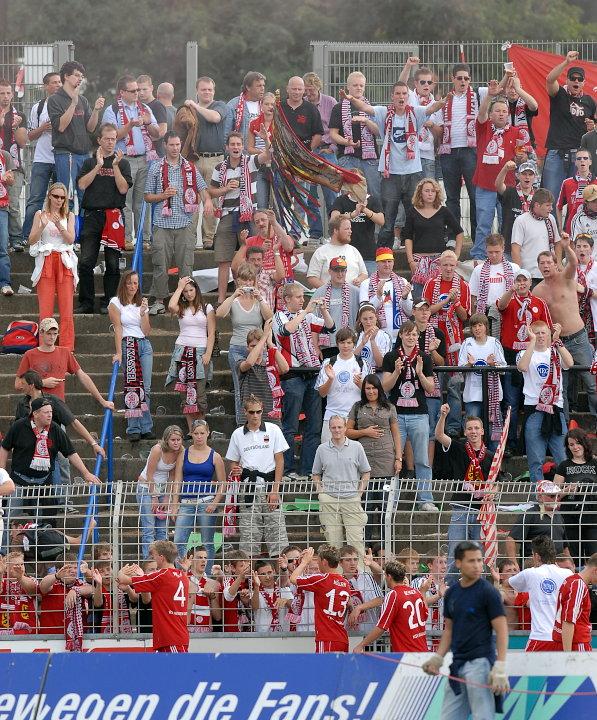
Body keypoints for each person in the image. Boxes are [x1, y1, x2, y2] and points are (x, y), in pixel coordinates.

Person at [343, 81, 445, 247]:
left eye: (404, 93)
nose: (401, 97)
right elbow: (366, 108)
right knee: (388, 217)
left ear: (408, 97)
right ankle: (384, 253)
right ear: (392, 96)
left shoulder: (415, 112)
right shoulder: (384, 113)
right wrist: (352, 99)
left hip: (412, 172)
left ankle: (417, 252)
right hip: (390, 173)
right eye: (398, 93)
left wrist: (444, 101)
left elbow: (432, 108)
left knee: (414, 215)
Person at [422, 541, 509, 719]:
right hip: (457, 664)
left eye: (479, 560)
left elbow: (502, 630)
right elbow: (449, 630)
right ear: (458, 563)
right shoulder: (452, 593)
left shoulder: (488, 592)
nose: (477, 565)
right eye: (471, 561)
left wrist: (500, 666)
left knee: (483, 717)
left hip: (480, 663)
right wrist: (438, 658)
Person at [0, 397, 100, 528]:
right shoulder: (19, 426)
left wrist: (86, 473)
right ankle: (6, 540)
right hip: (19, 480)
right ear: (35, 414)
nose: (50, 415)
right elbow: (5, 447)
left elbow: (70, 452)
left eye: (51, 412)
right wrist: (2, 473)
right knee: (10, 517)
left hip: (43, 480)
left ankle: (42, 539)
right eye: (46, 412)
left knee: (45, 519)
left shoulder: (55, 429)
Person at [144, 131, 213, 315]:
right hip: (162, 223)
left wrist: (207, 201)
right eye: (172, 145)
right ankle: (160, 300)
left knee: (186, 265)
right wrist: (163, 195)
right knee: (160, 264)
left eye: (177, 145)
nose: (175, 148)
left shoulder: (190, 167)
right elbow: (147, 196)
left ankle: (188, 302)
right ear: (165, 145)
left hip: (185, 223)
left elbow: (202, 189)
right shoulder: (156, 167)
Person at [273, 283, 334, 479]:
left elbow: (330, 327)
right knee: (290, 426)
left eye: (303, 297)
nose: (302, 300)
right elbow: (286, 331)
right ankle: (288, 470)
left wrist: (324, 311)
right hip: (292, 375)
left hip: (312, 373)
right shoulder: (279, 316)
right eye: (298, 297)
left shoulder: (307, 316)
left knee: (314, 426)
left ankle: (308, 470)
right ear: (287, 299)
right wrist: (306, 311)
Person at [533, 234, 597, 422]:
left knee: (591, 384)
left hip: (578, 338)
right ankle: (565, 425)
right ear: (538, 267)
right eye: (542, 263)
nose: (545, 266)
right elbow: (538, 320)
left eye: (549, 262)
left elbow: (574, 262)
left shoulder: (566, 278)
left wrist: (567, 246)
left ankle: (595, 420)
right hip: (558, 343)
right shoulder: (538, 291)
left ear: (555, 264)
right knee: (561, 387)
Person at [75, 123, 133, 315]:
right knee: (86, 261)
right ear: (99, 140)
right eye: (107, 139)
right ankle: (86, 302)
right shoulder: (89, 162)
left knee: (113, 263)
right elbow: (82, 185)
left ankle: (109, 301)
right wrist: (98, 165)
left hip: (113, 215)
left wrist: (114, 166)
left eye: (113, 139)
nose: (110, 142)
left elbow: (123, 189)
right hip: (92, 215)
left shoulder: (123, 163)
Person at [471, 79, 532, 261]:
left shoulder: (516, 132)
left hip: (507, 187)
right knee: (484, 223)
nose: (501, 114)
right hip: (485, 185)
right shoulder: (483, 128)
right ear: (491, 114)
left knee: (506, 223)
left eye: (504, 111)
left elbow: (522, 158)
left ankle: (505, 256)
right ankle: (479, 256)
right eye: (497, 111)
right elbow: (481, 113)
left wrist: (521, 158)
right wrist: (489, 96)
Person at [208, 131, 271, 304]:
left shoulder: (250, 161)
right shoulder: (219, 167)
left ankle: (253, 296)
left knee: (252, 257)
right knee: (223, 260)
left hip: (248, 214)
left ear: (242, 146)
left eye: (238, 144)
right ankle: (221, 299)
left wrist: (266, 139)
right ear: (227, 147)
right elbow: (211, 191)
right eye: (232, 144)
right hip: (227, 214)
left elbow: (268, 155)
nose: (235, 147)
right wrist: (226, 189)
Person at [382, 320, 438, 512]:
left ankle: (426, 499)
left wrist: (420, 374)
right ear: (401, 335)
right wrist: (397, 372)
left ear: (418, 337)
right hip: (396, 416)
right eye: (407, 334)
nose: (411, 337)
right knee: (394, 459)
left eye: (414, 334)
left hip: (419, 414)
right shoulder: (391, 357)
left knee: (422, 459)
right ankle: (391, 501)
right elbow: (385, 387)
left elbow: (430, 388)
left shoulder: (424, 358)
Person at [434, 403, 494, 581]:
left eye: (476, 428)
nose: (473, 431)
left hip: (481, 511)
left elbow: (496, 483)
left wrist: (492, 492)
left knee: (478, 556)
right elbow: (439, 435)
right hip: (461, 507)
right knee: (455, 553)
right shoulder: (459, 447)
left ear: (482, 431)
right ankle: (450, 590)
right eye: (469, 429)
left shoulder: (491, 456)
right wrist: (443, 416)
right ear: (465, 432)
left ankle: (478, 591)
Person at [225, 395, 289, 559]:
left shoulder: (273, 429)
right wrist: (235, 469)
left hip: (269, 484)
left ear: (262, 411)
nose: (255, 415)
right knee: (249, 536)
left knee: (277, 534)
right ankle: (249, 574)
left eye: (258, 412)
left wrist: (275, 490)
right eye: (252, 412)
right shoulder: (237, 434)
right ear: (245, 412)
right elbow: (232, 462)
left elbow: (280, 460)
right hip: (248, 487)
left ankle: (281, 573)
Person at [101, 74, 161, 249]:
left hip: (144, 159)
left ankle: (144, 239)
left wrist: (148, 122)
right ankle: (126, 239)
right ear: (122, 92)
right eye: (133, 90)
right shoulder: (112, 110)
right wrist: (130, 125)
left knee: (143, 202)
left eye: (138, 90)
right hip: (123, 160)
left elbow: (157, 133)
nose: (137, 93)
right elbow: (111, 137)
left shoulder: (145, 108)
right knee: (125, 201)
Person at [497, 268, 552, 456]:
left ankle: (539, 441)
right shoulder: (509, 298)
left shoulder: (539, 303)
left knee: (536, 399)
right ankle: (511, 442)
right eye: (518, 280)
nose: (521, 284)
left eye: (524, 280)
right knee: (511, 402)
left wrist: (547, 354)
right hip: (511, 353)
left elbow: (547, 330)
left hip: (534, 355)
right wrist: (510, 291)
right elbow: (501, 306)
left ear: (530, 283)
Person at [217, 262, 272, 425]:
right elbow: (219, 314)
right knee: (240, 388)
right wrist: (233, 296)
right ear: (238, 281)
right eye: (244, 280)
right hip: (238, 348)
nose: (247, 283)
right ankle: (241, 424)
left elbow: (270, 317)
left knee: (261, 386)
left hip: (258, 348)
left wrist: (260, 298)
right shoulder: (234, 301)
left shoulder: (258, 299)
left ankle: (262, 422)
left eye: (250, 280)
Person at [516, 321, 572, 482]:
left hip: (556, 409)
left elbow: (569, 363)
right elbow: (522, 367)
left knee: (562, 458)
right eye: (537, 333)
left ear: (548, 334)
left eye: (543, 333)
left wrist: (557, 340)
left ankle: (564, 494)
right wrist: (532, 342)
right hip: (534, 409)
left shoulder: (555, 351)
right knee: (536, 460)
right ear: (531, 334)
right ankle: (538, 495)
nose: (540, 336)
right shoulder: (524, 352)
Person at [347, 374, 401, 540]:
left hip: (386, 461)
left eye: (374, 388)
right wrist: (365, 432)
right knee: (366, 507)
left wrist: (398, 458)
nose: (371, 391)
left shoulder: (389, 407)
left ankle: (385, 546)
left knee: (386, 506)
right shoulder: (357, 407)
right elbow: (347, 432)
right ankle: (366, 545)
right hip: (364, 462)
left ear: (379, 389)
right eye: (368, 388)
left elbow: (396, 434)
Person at [423, 250, 471, 434]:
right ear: (439, 266)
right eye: (445, 265)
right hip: (434, 337)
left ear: (456, 265)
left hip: (454, 341)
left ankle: (452, 427)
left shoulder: (463, 285)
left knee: (454, 386)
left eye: (452, 265)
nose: (449, 269)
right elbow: (426, 311)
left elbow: (465, 316)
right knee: (434, 384)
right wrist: (446, 301)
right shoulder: (431, 283)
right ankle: (435, 426)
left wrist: (456, 302)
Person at [15, 317, 112, 407]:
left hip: (59, 406)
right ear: (41, 333)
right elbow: (18, 384)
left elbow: (82, 376)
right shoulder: (30, 354)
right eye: (49, 333)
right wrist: (42, 383)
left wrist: (102, 401)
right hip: (37, 407)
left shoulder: (65, 352)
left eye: (55, 334)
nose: (52, 337)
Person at [47, 61, 104, 210]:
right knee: (66, 198)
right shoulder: (54, 99)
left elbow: (91, 128)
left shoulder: (83, 100)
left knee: (87, 198)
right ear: (66, 76)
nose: (80, 79)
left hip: (84, 155)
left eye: (81, 76)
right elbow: (61, 126)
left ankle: (85, 226)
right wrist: (73, 103)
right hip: (66, 154)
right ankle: (66, 225)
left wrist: (96, 110)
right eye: (77, 75)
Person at [312, 416, 370, 562]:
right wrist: (321, 493)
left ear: (345, 428)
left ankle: (361, 573)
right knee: (333, 540)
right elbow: (316, 473)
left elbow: (366, 472)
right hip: (329, 499)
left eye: (339, 427)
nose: (337, 430)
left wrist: (359, 493)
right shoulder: (321, 449)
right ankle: (336, 573)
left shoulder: (357, 447)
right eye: (333, 427)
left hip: (351, 498)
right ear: (329, 428)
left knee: (356, 540)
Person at [27, 182, 77, 350]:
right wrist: (43, 225)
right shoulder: (40, 214)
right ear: (49, 196)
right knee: (45, 309)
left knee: (67, 309)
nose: (59, 200)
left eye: (62, 197)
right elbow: (31, 240)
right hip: (47, 260)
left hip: (64, 262)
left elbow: (70, 240)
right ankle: (44, 346)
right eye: (56, 196)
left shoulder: (69, 215)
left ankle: (67, 347)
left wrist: (59, 226)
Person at [171, 419, 226, 569]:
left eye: (202, 433)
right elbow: (177, 480)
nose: (199, 436)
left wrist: (214, 503)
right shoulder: (183, 454)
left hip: (206, 501)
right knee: (179, 540)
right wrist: (174, 504)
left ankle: (206, 576)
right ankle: (182, 574)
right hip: (186, 502)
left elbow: (223, 483)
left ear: (208, 433)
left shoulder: (215, 456)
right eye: (196, 433)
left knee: (207, 542)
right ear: (191, 434)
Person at [543, 51, 596, 202]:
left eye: (580, 79)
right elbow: (549, 79)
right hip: (557, 153)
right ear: (567, 80)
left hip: (580, 156)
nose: (576, 81)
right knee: (551, 198)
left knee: (579, 198)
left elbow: (594, 127)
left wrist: (592, 126)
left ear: (584, 83)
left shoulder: (589, 101)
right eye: (573, 78)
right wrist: (566, 62)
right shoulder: (559, 93)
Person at [118, 540, 190, 652]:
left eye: (154, 555)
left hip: (170, 638)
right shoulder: (182, 576)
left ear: (161, 558)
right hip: (175, 636)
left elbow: (123, 579)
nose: (153, 558)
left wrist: (122, 571)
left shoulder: (160, 576)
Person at [108, 270, 154, 442]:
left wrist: (143, 313)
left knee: (146, 388)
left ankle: (146, 427)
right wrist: (119, 352)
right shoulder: (115, 302)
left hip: (144, 344)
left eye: (135, 283)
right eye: (129, 283)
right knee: (132, 386)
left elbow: (147, 331)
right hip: (128, 343)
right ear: (124, 284)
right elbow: (118, 328)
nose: (133, 286)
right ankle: (134, 427)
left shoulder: (141, 303)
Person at [183, 76, 229, 249]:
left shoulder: (220, 106)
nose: (207, 92)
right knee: (192, 199)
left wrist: (195, 106)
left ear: (214, 91)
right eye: (203, 89)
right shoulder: (189, 110)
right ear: (197, 91)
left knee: (212, 200)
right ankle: (190, 239)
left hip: (215, 159)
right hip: (194, 159)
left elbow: (214, 118)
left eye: (210, 89)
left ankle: (208, 239)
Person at [165, 276, 215, 434]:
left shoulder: (207, 307)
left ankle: (201, 430)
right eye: (185, 291)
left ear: (196, 290)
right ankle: (191, 431)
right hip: (182, 350)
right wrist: (179, 287)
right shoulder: (181, 307)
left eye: (191, 290)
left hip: (200, 352)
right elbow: (170, 306)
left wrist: (208, 353)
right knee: (185, 393)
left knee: (199, 393)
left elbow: (211, 333)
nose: (189, 293)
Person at [437, 64, 480, 241]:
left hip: (470, 151)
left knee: (474, 195)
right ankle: (454, 237)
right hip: (448, 152)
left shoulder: (477, 96)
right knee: (452, 197)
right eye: (460, 78)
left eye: (466, 78)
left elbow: (497, 91)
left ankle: (477, 238)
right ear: (452, 79)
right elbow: (438, 126)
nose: (463, 81)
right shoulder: (445, 100)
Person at [507, 535, 572, 651]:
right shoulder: (568, 574)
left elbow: (509, 583)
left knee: (524, 663)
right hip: (562, 638)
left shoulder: (530, 573)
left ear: (536, 556)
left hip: (540, 637)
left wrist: (498, 579)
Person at [404, 178, 464, 298]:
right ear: (420, 193)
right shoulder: (412, 211)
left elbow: (459, 232)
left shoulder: (443, 211)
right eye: (427, 191)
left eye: (433, 191)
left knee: (438, 295)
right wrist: (411, 261)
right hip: (419, 260)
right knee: (419, 297)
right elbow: (408, 237)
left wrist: (456, 255)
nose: (430, 194)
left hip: (438, 260)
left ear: (437, 193)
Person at [22, 72, 62, 245]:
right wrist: (43, 127)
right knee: (35, 199)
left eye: (60, 82)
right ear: (46, 86)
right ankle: (27, 236)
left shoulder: (68, 104)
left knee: (62, 199)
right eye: (54, 82)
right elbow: (30, 136)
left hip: (61, 158)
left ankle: (61, 235)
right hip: (42, 159)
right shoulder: (38, 107)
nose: (58, 85)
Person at [289, 545, 355, 653]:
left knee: (323, 664)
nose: (317, 563)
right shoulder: (345, 582)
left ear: (324, 562)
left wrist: (304, 562)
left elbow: (293, 579)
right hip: (342, 638)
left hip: (326, 638)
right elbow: (349, 604)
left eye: (318, 560)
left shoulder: (321, 579)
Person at [353, 560, 429, 653]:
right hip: (423, 650)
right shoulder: (416, 592)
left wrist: (361, 645)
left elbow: (382, 626)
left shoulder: (394, 594)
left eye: (385, 575)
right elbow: (425, 615)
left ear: (389, 577)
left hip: (406, 652)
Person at [329, 71, 381, 203]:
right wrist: (347, 142)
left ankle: (374, 217)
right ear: (348, 87)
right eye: (355, 85)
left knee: (374, 195)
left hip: (370, 159)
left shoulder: (371, 107)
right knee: (349, 196)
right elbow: (333, 134)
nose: (359, 88)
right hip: (347, 157)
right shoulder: (338, 107)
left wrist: (366, 120)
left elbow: (378, 132)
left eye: (361, 85)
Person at [458, 313, 506, 447]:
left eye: (480, 325)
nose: (477, 329)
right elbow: (460, 368)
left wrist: (492, 365)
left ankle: (494, 459)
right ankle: (472, 457)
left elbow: (503, 368)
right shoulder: (467, 343)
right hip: (472, 395)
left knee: (493, 431)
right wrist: (469, 364)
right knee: (472, 430)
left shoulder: (494, 342)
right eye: (474, 326)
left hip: (493, 395)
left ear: (486, 327)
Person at [136, 425, 184, 559]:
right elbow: (149, 475)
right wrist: (154, 497)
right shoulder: (157, 449)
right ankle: (149, 562)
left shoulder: (180, 451)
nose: (176, 443)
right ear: (166, 440)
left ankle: (164, 561)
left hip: (163, 488)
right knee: (149, 529)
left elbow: (173, 475)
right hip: (147, 488)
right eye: (173, 440)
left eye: (178, 440)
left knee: (162, 530)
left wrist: (167, 497)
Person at [316, 330, 371, 441]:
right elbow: (322, 394)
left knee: (355, 451)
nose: (345, 346)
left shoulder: (362, 363)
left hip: (356, 417)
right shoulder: (328, 363)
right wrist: (330, 379)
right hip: (332, 415)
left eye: (349, 343)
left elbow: (371, 393)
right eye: (342, 342)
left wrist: (360, 384)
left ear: (354, 344)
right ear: (337, 343)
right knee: (328, 451)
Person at [303, 71, 338, 242]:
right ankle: (315, 233)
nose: (308, 93)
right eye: (306, 90)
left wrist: (333, 147)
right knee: (310, 195)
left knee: (331, 194)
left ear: (318, 87)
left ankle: (334, 232)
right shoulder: (303, 104)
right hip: (309, 152)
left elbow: (338, 126)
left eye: (311, 89)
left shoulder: (330, 102)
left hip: (326, 150)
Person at [553, 427, 597, 563]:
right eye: (571, 444)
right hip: (570, 514)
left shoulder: (595, 463)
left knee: (594, 555)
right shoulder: (564, 465)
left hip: (593, 514)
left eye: (578, 443)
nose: (575, 447)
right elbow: (553, 494)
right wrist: (567, 490)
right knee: (573, 555)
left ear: (585, 443)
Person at [37, 553, 95, 649]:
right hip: (50, 640)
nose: (73, 571)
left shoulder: (79, 584)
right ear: (58, 570)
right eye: (69, 568)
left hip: (78, 641)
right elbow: (42, 586)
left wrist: (75, 590)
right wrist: (56, 576)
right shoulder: (52, 584)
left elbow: (92, 589)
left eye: (75, 568)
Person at [468, 233, 520, 337]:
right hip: (485, 312)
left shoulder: (514, 268)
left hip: (508, 311)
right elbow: (473, 295)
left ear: (503, 248)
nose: (494, 255)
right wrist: (474, 317)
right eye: (490, 252)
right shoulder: (478, 269)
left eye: (497, 252)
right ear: (485, 250)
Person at [506, 480, 571, 561]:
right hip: (535, 563)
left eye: (558, 496)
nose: (555, 499)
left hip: (557, 563)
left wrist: (569, 562)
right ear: (540, 497)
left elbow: (564, 545)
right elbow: (511, 538)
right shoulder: (530, 514)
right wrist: (513, 563)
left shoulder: (558, 516)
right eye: (552, 496)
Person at [359, 246, 413, 341]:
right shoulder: (366, 284)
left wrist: (404, 298)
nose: (387, 265)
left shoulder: (403, 281)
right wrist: (378, 296)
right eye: (383, 261)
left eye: (389, 261)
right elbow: (364, 312)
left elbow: (410, 312)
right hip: (377, 336)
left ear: (393, 262)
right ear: (377, 263)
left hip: (401, 336)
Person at [238, 323, 288, 426]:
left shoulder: (270, 365)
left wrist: (270, 343)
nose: (257, 348)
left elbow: (285, 368)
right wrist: (264, 337)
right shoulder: (241, 362)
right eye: (253, 346)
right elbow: (249, 363)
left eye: (260, 345)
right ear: (247, 348)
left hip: (271, 416)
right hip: (250, 417)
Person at [312, 258, 360, 358]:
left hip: (349, 344)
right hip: (327, 346)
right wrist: (315, 347)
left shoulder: (356, 292)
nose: (340, 274)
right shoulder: (319, 292)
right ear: (329, 271)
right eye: (336, 270)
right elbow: (313, 323)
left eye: (343, 270)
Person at [0, 78, 28, 252]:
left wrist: (16, 127)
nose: (5, 96)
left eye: (8, 93)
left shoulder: (19, 115)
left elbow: (23, 143)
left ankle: (16, 239)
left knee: (13, 204)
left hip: (14, 166)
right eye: (2, 93)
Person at [306, 214, 367, 289]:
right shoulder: (321, 252)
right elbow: (312, 277)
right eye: (347, 229)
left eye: (350, 228)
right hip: (328, 295)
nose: (350, 231)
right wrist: (329, 291)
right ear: (335, 230)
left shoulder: (354, 250)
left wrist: (359, 279)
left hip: (352, 295)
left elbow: (364, 274)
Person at [552, 552, 597, 651]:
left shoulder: (570, 580)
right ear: (595, 571)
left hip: (565, 642)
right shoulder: (578, 585)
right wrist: (568, 655)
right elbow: (568, 621)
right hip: (576, 644)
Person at [495, 160, 538, 258]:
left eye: (530, 174)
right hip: (509, 247)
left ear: (534, 177)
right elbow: (498, 185)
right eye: (524, 174)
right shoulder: (510, 192)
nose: (527, 177)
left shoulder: (538, 195)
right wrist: (505, 169)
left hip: (530, 247)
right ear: (518, 176)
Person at [339, 545, 383, 634]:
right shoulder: (338, 582)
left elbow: (380, 600)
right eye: (348, 560)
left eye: (355, 559)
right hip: (349, 633)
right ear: (340, 563)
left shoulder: (366, 576)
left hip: (370, 631)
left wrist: (359, 608)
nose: (352, 563)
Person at [246, 92, 275, 209]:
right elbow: (249, 148)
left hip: (276, 167)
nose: (269, 107)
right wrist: (262, 153)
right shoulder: (254, 123)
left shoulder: (280, 124)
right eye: (266, 104)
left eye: (272, 104)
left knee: (276, 206)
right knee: (261, 204)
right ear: (261, 106)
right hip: (260, 167)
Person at [556, 150, 596, 235]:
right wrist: (560, 229)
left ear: (590, 162)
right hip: (572, 229)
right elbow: (559, 206)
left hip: (593, 229)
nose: (582, 160)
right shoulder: (567, 183)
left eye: (585, 158)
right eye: (579, 158)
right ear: (575, 162)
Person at [185, 545, 222, 633]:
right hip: (186, 629)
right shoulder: (183, 580)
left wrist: (212, 597)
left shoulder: (213, 584)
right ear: (191, 560)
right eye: (199, 557)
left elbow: (218, 617)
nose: (203, 560)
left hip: (206, 631)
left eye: (205, 558)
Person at [251, 559, 294, 632]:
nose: (267, 577)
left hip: (283, 635)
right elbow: (254, 608)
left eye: (269, 572)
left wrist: (286, 601)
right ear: (257, 575)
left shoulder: (283, 588)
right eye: (263, 574)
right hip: (262, 635)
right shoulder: (255, 591)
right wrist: (256, 586)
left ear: (274, 572)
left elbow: (295, 607)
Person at [224, 71, 266, 143]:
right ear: (248, 87)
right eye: (259, 86)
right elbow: (226, 134)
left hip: (264, 149)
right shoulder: (233, 105)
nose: (262, 88)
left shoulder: (267, 104)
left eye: (263, 85)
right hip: (242, 149)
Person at [353, 304, 393, 375]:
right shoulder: (356, 336)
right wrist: (362, 343)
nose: (368, 322)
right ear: (360, 320)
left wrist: (372, 340)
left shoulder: (384, 336)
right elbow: (351, 360)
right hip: (358, 374)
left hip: (377, 374)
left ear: (376, 318)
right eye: (365, 319)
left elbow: (381, 364)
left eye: (371, 318)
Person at [137, 75, 168, 157]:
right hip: (142, 154)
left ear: (151, 88)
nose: (141, 93)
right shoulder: (137, 106)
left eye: (144, 89)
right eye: (139, 90)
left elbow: (162, 131)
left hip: (156, 153)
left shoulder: (158, 105)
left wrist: (142, 141)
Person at [0, 144, 15, 296]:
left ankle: (5, 283)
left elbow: (11, 181)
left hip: (2, 206)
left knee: (3, 247)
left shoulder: (4, 155)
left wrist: (9, 178)